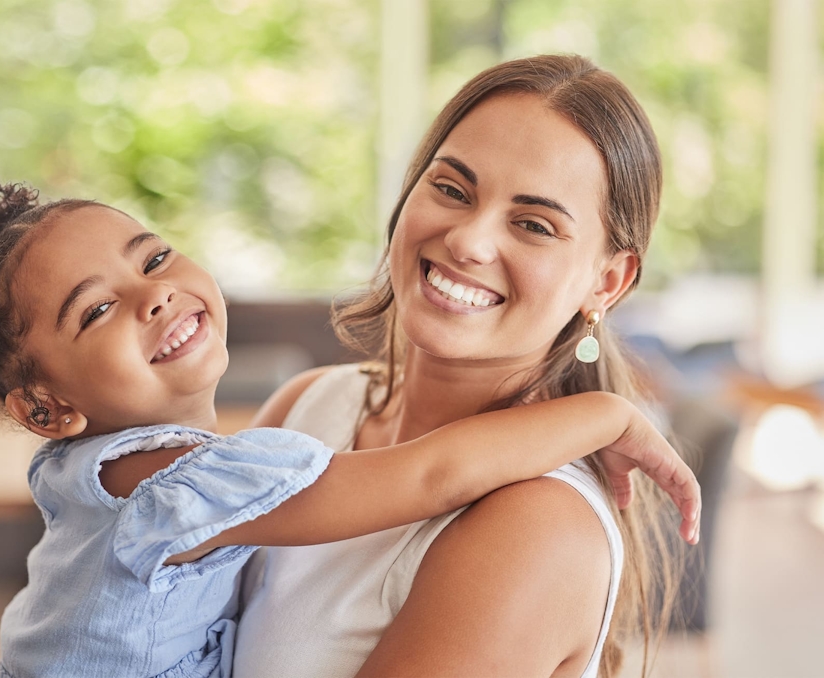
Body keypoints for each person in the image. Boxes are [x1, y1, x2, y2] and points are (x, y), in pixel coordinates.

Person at [0, 179, 697, 678]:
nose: (151, 295)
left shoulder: (107, 468)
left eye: (154, 259)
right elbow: (427, 477)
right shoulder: (180, 484)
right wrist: (607, 412)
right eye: (95, 310)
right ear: (46, 411)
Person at [234, 54, 680, 678]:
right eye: (451, 189)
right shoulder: (310, 406)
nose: (469, 241)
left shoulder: (536, 525)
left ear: (607, 281)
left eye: (534, 225)